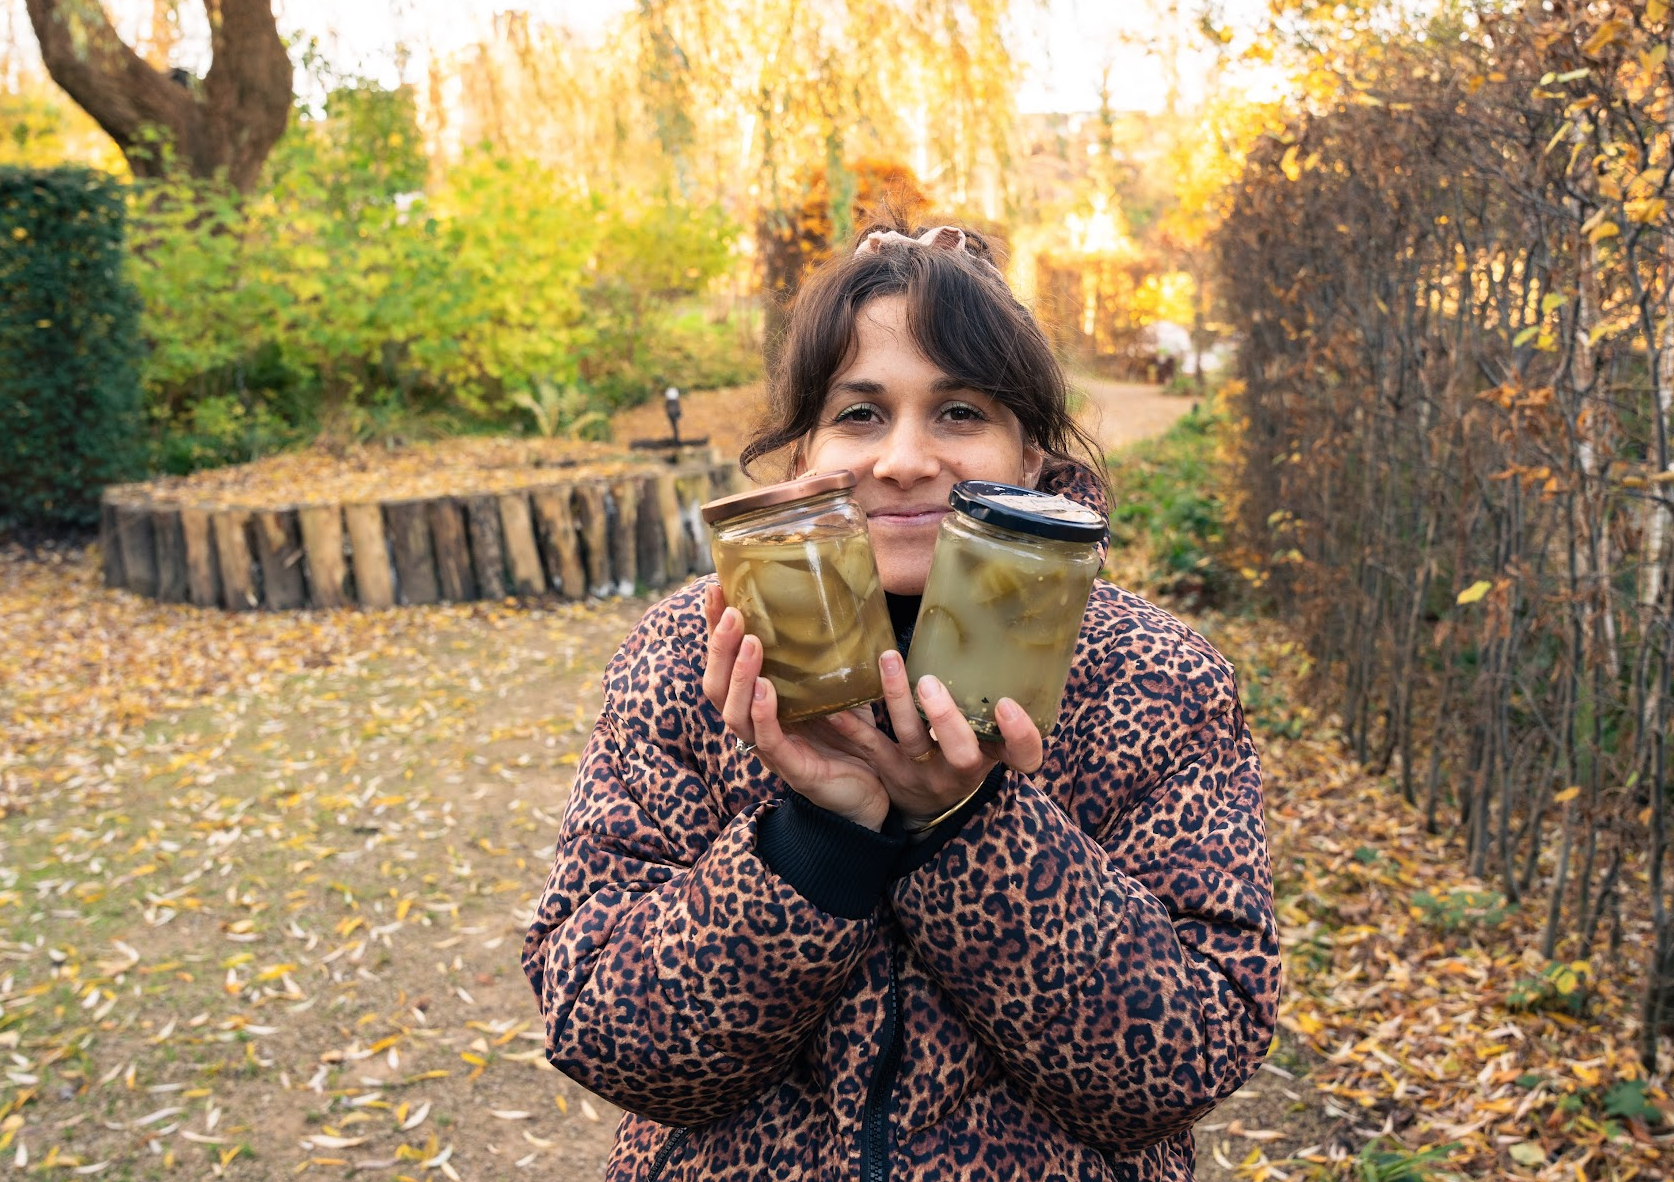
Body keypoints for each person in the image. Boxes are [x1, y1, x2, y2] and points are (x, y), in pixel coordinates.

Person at [523, 222, 1280, 1180]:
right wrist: (816, 843)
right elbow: (609, 1038)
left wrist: (967, 830)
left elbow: (1180, 1067)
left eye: (961, 412)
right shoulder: (690, 659)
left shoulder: (1156, 677)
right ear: (802, 450)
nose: (906, 458)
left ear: (1032, 455)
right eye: (861, 414)